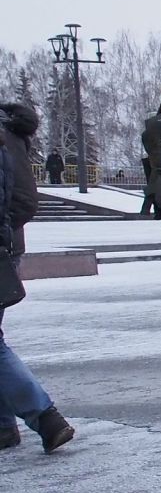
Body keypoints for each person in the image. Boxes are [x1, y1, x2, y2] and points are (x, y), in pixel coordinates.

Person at [1, 101, 74, 453]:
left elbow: (23, 201)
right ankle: (5, 427)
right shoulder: (10, 136)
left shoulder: (5, 139)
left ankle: (45, 417)